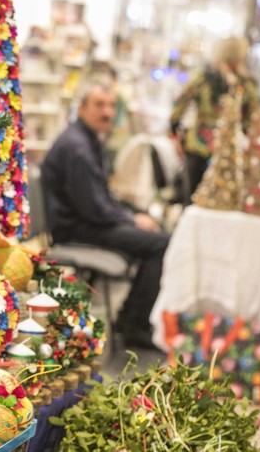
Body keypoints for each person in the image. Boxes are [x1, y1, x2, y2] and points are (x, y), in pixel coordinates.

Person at [40, 80, 169, 349]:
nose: (108, 112)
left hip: (85, 221)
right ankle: (134, 324)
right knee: (160, 243)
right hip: (76, 228)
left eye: (111, 105)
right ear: (82, 108)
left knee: (153, 232)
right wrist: (132, 219)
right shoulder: (78, 148)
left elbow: (99, 200)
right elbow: (94, 209)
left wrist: (132, 214)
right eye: (99, 105)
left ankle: (130, 318)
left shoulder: (87, 139)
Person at [170, 37, 259, 204]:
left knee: (192, 200)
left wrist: (174, 127)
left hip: (199, 144)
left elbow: (180, 101)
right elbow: (252, 119)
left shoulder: (205, 78)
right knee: (226, 202)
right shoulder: (247, 84)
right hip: (230, 149)